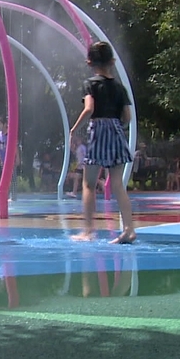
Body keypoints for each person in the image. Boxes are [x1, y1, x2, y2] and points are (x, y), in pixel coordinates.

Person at [68, 42, 136, 243]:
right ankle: (129, 229)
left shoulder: (90, 84)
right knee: (117, 184)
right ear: (112, 62)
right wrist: (116, 124)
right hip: (116, 129)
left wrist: (73, 130)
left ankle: (88, 231)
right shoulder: (120, 88)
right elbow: (127, 117)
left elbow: (89, 109)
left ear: (89, 62)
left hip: (98, 130)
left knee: (88, 183)